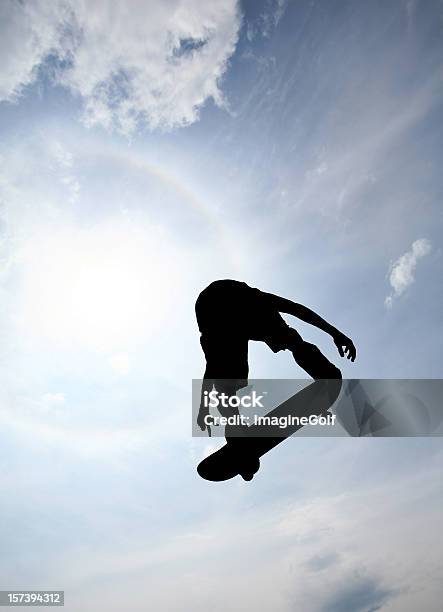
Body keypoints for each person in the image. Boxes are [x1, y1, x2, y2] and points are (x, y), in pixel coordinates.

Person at [195, 279, 356, 435]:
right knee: (291, 341)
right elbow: (298, 310)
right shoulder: (259, 305)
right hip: (214, 307)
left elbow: (212, 367)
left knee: (228, 377)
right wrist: (335, 333)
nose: (276, 349)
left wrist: (204, 407)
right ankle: (235, 425)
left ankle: (234, 426)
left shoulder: (258, 306)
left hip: (212, 307)